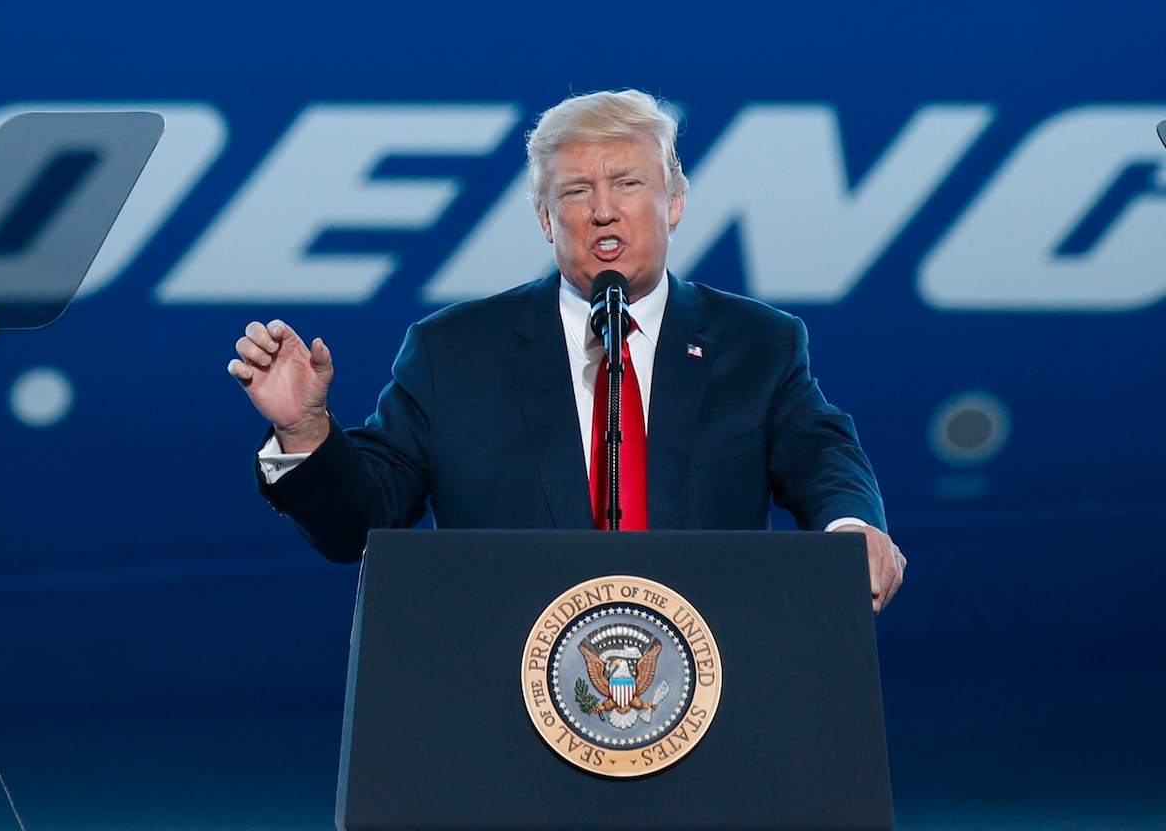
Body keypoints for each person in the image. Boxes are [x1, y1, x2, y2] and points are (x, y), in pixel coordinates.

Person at [227, 89, 906, 611]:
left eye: (628, 184)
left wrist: (851, 527)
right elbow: (360, 524)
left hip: (709, 688)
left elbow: (822, 454)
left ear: (674, 202)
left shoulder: (756, 344)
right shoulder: (453, 354)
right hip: (506, 698)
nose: (603, 210)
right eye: (576, 192)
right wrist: (305, 431)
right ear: (546, 219)